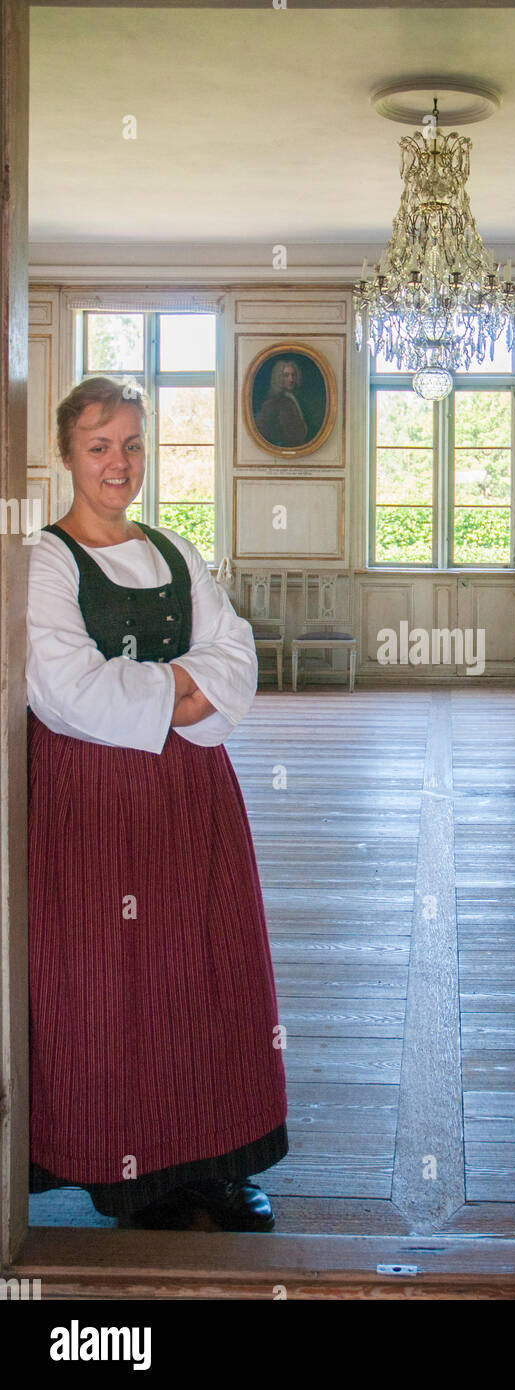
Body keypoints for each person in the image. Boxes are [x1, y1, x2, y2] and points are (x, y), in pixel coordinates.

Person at [27, 376, 288, 1231]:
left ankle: (213, 1161)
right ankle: (128, 1172)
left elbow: (235, 657)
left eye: (133, 444)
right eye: (100, 445)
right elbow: (68, 691)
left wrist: (163, 692)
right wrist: (181, 688)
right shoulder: (44, 562)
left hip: (190, 796)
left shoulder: (176, 550)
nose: (119, 462)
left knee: (204, 973)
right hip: (93, 808)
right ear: (68, 454)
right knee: (112, 984)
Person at [254, 358, 309, 448]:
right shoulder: (272, 403)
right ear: (278, 378)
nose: (291, 379)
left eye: (293, 375)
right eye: (286, 375)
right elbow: (263, 430)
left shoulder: (296, 399)